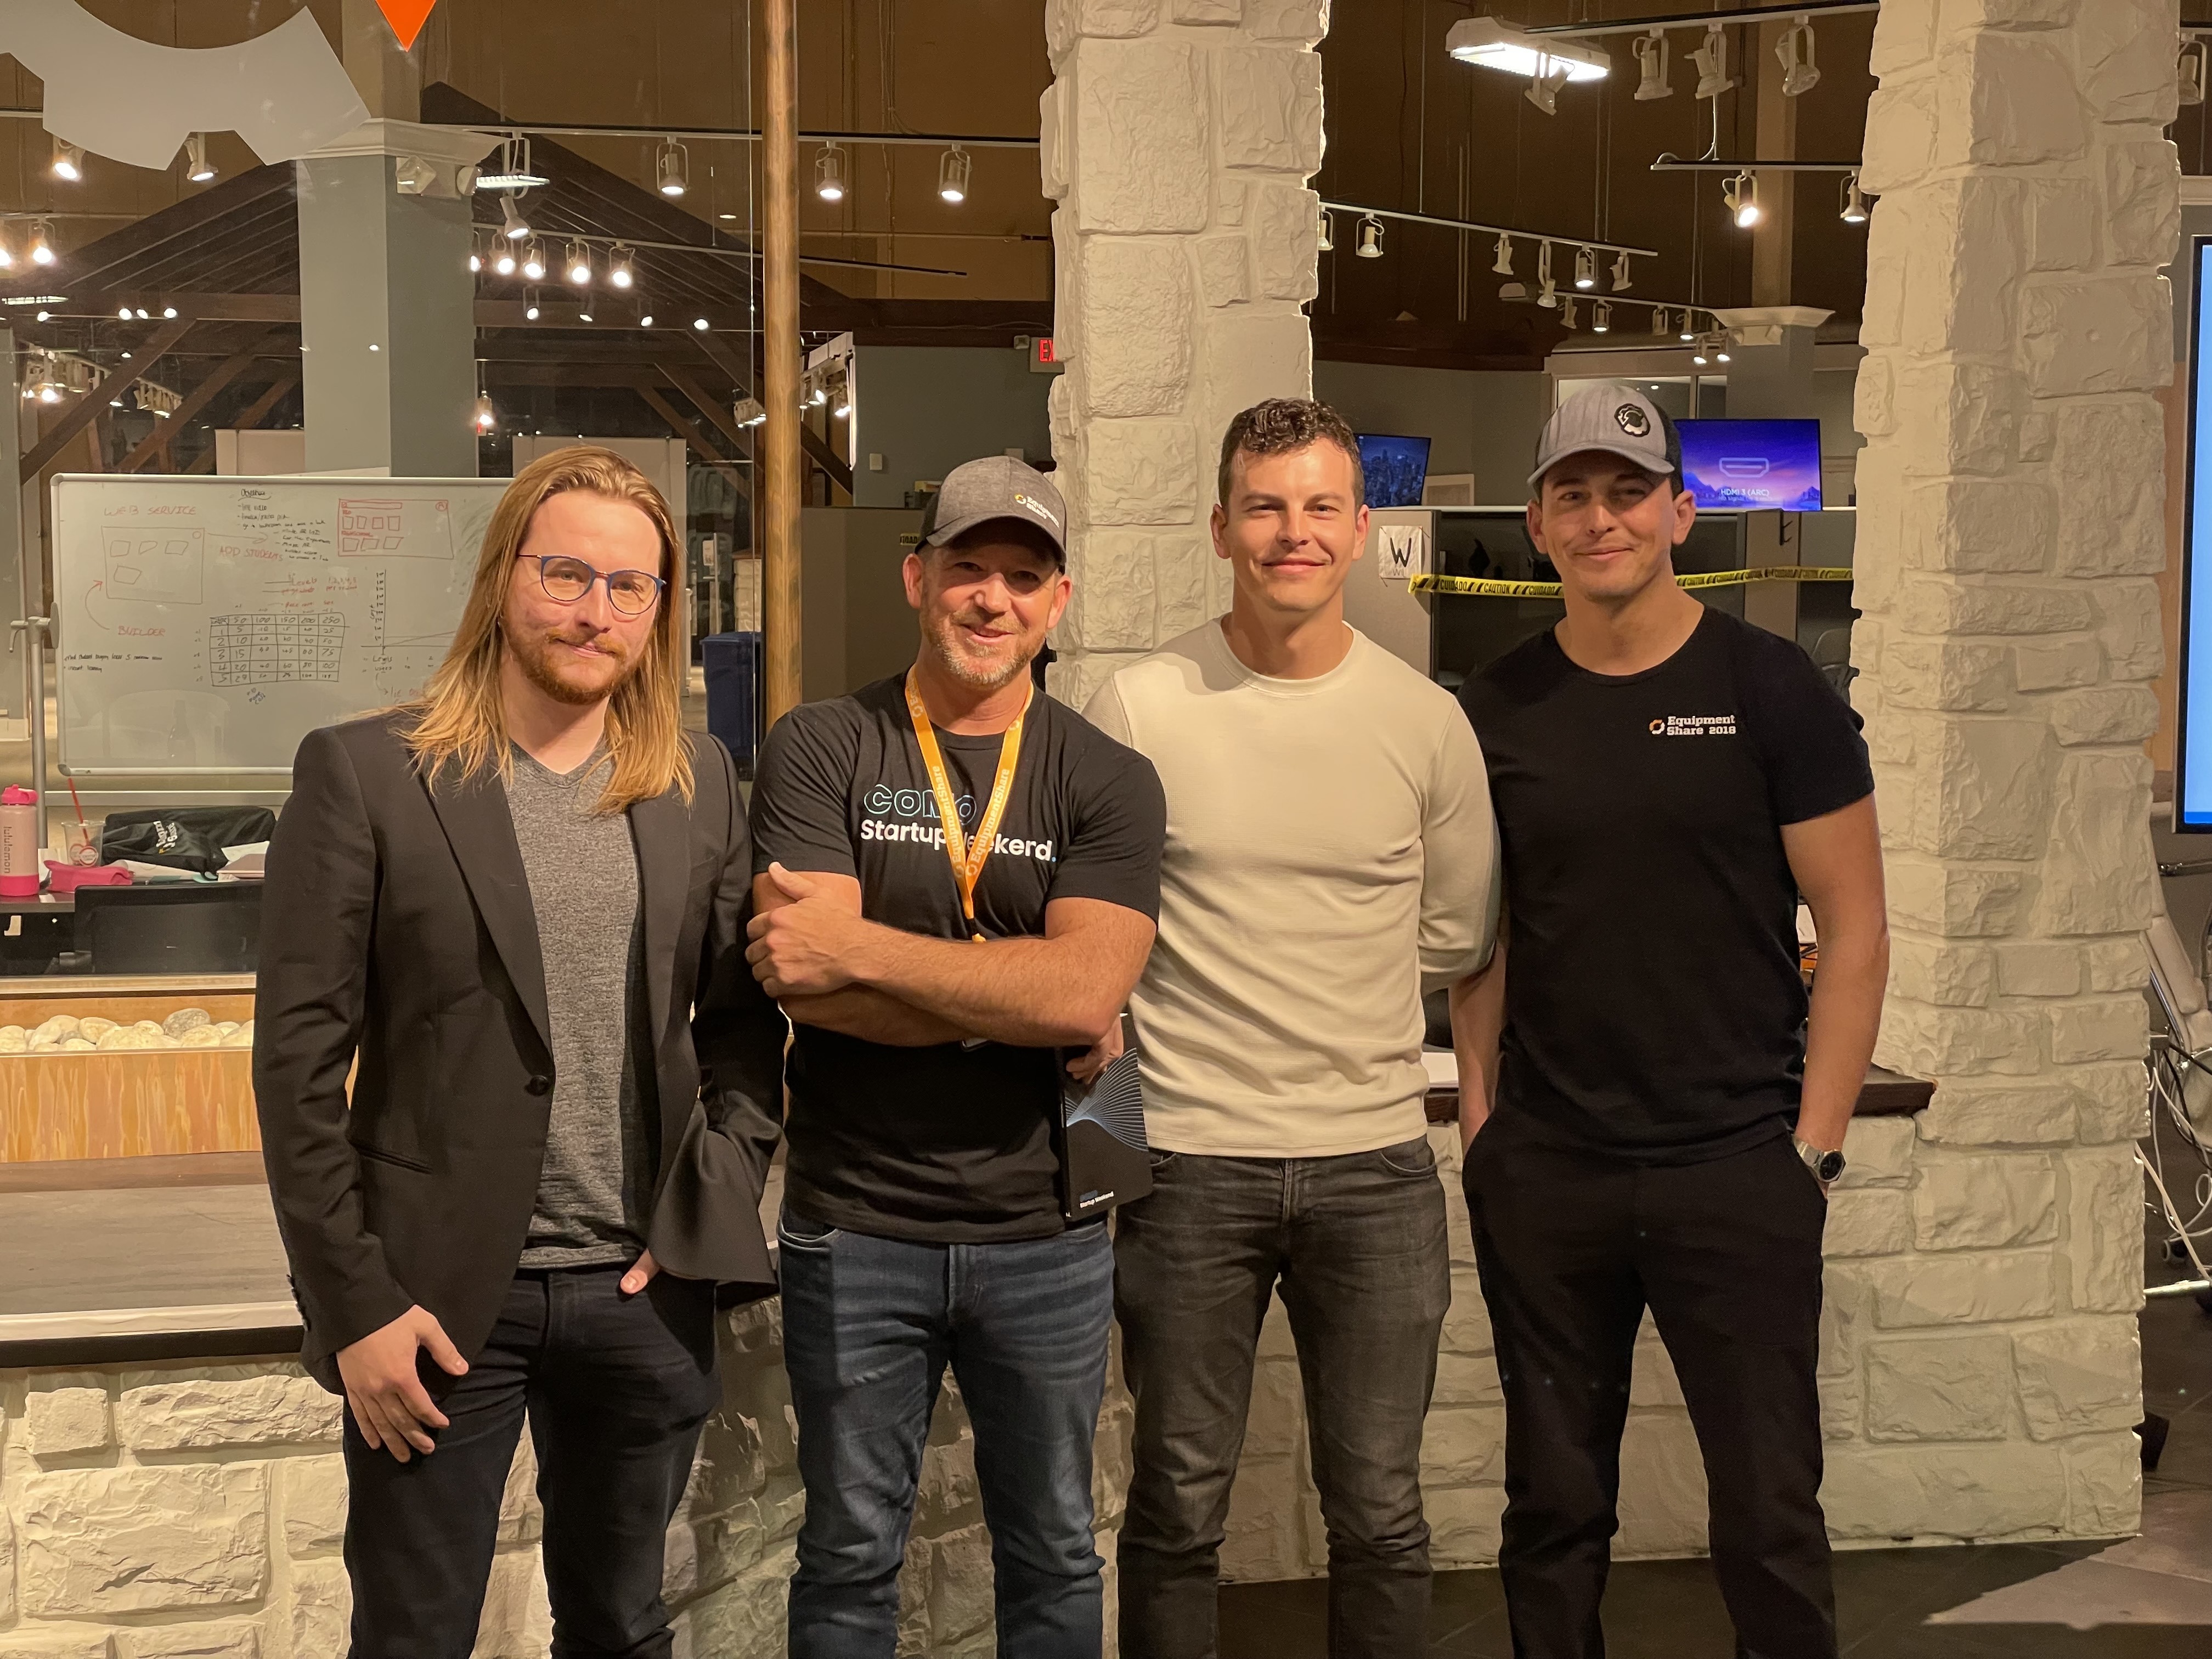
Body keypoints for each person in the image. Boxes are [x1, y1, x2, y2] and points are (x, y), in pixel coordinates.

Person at [255, 447, 785, 1658]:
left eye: (631, 586)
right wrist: (354, 1304)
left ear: (659, 611)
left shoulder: (696, 782)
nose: (597, 612)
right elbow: (295, 1072)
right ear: (504, 577)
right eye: (566, 575)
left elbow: (742, 1029)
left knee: (623, 1627)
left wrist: (710, 1207)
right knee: (415, 1637)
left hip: (638, 1294)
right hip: (436, 1307)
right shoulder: (369, 773)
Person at [1454, 383, 1888, 1659]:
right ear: (1538, 525)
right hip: (1551, 1171)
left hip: (1738, 1165)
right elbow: (1486, 939)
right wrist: (1483, 1126)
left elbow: (1854, 930)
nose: (1603, 519)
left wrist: (1812, 1151)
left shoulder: (1773, 688)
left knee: (1768, 1513)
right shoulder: (1495, 709)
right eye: (1574, 496)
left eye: (1628, 493)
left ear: (1681, 513)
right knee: (1553, 1510)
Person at [1082, 398, 1500, 1659]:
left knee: (1380, 1511)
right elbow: (1096, 928)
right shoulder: (1140, 706)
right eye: (1264, 507)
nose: (1292, 532)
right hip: (1186, 1165)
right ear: (1222, 528)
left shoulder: (1424, 722)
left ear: (1361, 529)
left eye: (1321, 506)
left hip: (1374, 1164)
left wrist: (1321, 981)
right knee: (1176, 1507)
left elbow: (1456, 935)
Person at [742, 454, 1167, 1658]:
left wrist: (867, 950)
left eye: (1023, 578)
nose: (993, 598)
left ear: (1059, 600)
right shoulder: (824, 745)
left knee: (1055, 1549)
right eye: (968, 567)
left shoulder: (1108, 777)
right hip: (854, 1225)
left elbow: (1087, 990)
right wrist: (1024, 996)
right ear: (917, 578)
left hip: (1048, 1236)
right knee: (848, 1555)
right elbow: (805, 983)